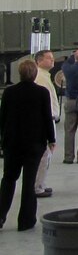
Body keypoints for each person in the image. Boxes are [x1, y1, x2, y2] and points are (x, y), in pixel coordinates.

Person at [0, 59, 56, 230]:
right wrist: (51, 139)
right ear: (35, 74)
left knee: (8, 179)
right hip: (34, 144)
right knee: (29, 181)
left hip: (12, 143)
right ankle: (26, 220)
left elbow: (2, 118)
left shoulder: (9, 93)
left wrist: (2, 140)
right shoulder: (42, 93)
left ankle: (0, 216)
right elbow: (47, 118)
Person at [33, 50, 59, 198]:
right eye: (49, 58)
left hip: (50, 119)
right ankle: (37, 186)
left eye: (52, 58)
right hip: (46, 121)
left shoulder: (45, 76)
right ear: (39, 61)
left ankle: (40, 183)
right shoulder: (41, 78)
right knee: (44, 154)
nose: (52, 61)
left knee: (47, 156)